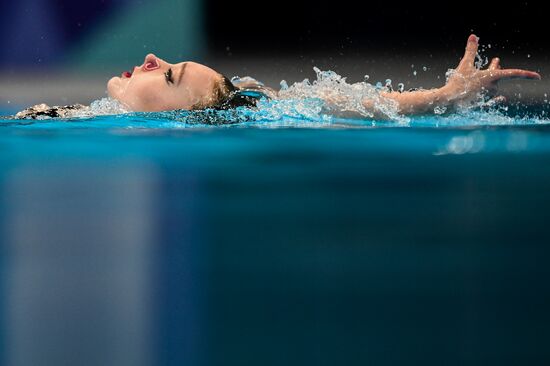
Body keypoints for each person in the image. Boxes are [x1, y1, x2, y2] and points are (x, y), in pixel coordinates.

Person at [13, 34, 540, 120]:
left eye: (169, 76)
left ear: (183, 117)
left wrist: (444, 96)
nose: (152, 57)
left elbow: (344, 104)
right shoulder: (69, 119)